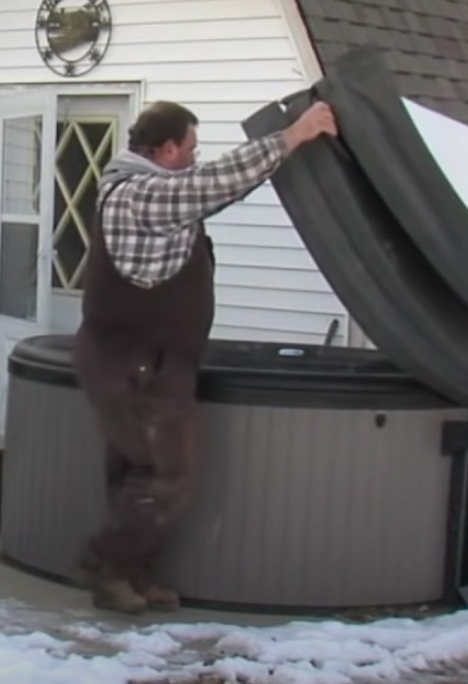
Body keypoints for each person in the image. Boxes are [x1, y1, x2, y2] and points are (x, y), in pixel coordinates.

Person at [73, 99, 337, 614]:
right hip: (137, 367)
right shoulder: (140, 196)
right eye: (190, 149)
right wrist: (292, 136)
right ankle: (104, 563)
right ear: (166, 149)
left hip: (148, 362)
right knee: (168, 470)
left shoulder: (155, 191)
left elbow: (214, 192)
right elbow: (212, 184)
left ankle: (134, 577)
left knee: (138, 470)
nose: (195, 158)